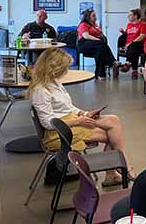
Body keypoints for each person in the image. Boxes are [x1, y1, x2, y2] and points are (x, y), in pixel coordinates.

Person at [28, 48, 131, 186]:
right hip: (59, 133)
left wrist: (83, 113)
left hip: (70, 121)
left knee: (114, 120)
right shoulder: (41, 90)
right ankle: (122, 169)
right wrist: (78, 120)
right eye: (64, 68)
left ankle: (119, 169)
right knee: (112, 135)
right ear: (54, 67)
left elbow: (68, 107)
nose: (66, 71)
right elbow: (47, 123)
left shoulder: (54, 82)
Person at [77, 8, 119, 80]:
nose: (95, 17)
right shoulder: (83, 24)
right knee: (101, 45)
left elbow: (100, 34)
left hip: (96, 45)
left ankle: (100, 74)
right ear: (88, 16)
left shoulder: (95, 25)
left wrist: (100, 38)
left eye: (95, 15)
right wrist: (98, 40)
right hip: (84, 44)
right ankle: (112, 62)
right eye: (93, 15)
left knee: (100, 52)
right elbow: (86, 36)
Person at [119, 8, 146, 77]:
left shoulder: (143, 24)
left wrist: (131, 42)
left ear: (135, 16)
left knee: (134, 45)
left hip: (140, 45)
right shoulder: (129, 25)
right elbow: (126, 34)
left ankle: (128, 63)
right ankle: (134, 70)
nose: (128, 16)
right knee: (134, 50)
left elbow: (142, 36)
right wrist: (122, 32)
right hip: (130, 46)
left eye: (130, 15)